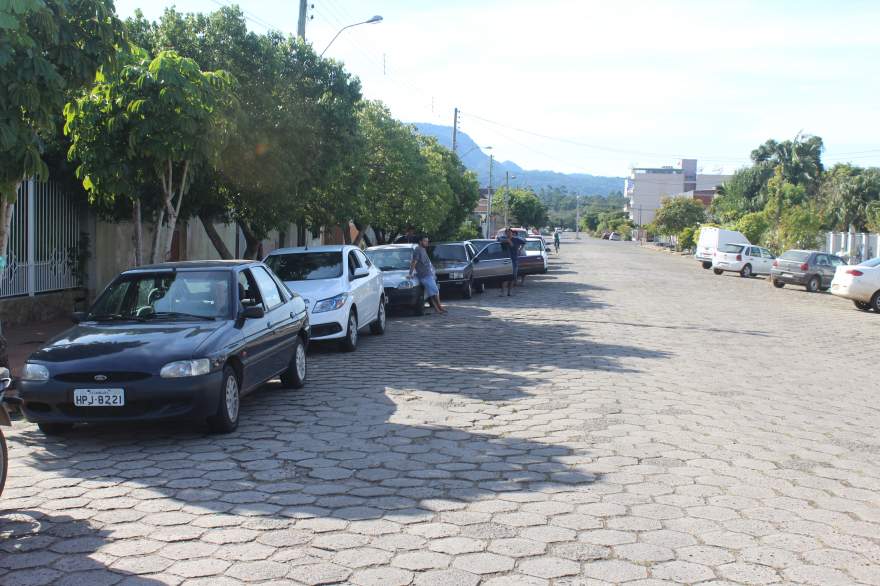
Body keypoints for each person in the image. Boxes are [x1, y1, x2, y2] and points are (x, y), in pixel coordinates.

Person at [409, 235, 446, 314]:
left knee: (432, 292)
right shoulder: (417, 250)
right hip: (424, 275)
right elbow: (414, 262)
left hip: (429, 274)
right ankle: (440, 307)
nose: (427, 243)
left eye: (427, 241)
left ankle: (438, 308)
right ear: (420, 241)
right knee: (435, 291)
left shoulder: (423, 249)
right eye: (425, 241)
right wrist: (410, 273)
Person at [498, 227, 526, 296]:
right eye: (507, 232)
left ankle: (509, 292)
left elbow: (523, 242)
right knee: (504, 277)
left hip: (514, 260)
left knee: (512, 277)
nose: (508, 234)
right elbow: (499, 240)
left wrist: (520, 249)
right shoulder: (503, 238)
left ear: (512, 233)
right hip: (505, 260)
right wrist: (507, 240)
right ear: (505, 233)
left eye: (509, 232)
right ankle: (502, 292)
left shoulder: (516, 239)